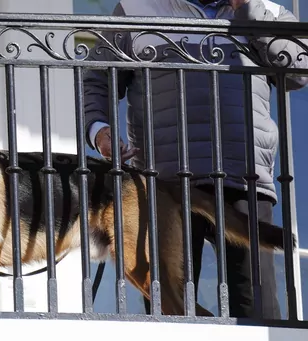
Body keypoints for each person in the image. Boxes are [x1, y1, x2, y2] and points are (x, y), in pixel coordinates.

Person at [83, 0, 308, 318]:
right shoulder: (137, 8)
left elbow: (298, 73)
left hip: (245, 177)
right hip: (164, 183)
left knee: (257, 308)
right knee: (171, 307)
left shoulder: (266, 10)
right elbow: (98, 79)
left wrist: (249, 8)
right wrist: (101, 131)